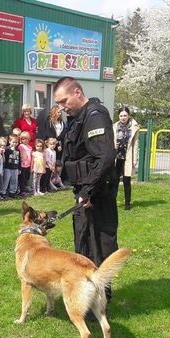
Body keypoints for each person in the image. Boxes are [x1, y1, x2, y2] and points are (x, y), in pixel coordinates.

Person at [54, 76, 118, 301]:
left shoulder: (95, 116)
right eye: (58, 103)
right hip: (85, 191)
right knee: (83, 243)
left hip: (96, 194)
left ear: (77, 93)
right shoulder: (77, 118)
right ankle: (89, 294)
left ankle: (99, 299)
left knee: (98, 245)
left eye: (63, 101)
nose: (61, 107)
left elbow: (105, 158)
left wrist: (88, 192)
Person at [113, 107, 140, 210]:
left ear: (128, 115)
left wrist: (134, 159)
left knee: (126, 181)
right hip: (117, 157)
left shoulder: (134, 127)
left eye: (125, 115)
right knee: (114, 181)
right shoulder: (114, 127)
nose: (123, 117)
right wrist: (113, 146)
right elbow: (111, 141)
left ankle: (127, 203)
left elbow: (136, 144)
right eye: (121, 116)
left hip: (127, 157)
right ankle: (112, 202)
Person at [0, 134, 20, 198]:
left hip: (15, 168)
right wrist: (11, 150)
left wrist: (19, 168)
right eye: (13, 142)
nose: (15, 143)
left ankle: (12, 192)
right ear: (10, 141)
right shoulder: (7, 149)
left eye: (16, 142)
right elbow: (4, 158)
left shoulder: (18, 150)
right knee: (6, 180)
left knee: (14, 180)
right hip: (7, 167)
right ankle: (3, 192)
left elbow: (19, 159)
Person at [18, 131, 32, 196]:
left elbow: (30, 155)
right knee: (22, 178)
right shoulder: (21, 146)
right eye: (23, 139)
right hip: (22, 165)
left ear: (28, 139)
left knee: (27, 177)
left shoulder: (30, 147)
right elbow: (20, 155)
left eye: (26, 139)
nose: (24, 140)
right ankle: (22, 190)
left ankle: (25, 188)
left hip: (28, 165)